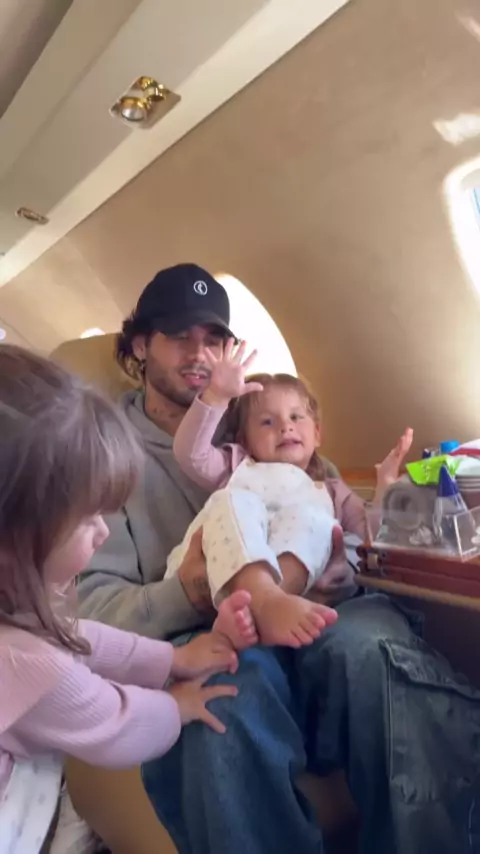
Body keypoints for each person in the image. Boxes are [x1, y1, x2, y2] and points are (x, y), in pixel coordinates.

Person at [77, 263, 480, 854]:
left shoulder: (265, 414)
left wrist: (357, 547)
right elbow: (87, 610)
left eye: (214, 339)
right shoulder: (100, 452)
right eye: (179, 336)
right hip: (207, 636)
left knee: (378, 651)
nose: (200, 354)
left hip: (328, 618)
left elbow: (337, 514)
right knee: (222, 713)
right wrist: (187, 592)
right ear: (140, 345)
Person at [0, 344, 251, 854]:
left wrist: (170, 659)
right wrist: (175, 705)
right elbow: (116, 723)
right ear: (15, 536)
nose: (101, 531)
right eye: (88, 518)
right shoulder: (22, 665)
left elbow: (78, 639)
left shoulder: (18, 620)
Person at [167, 340, 401, 648]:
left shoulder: (332, 491)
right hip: (217, 574)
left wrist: (385, 492)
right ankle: (262, 602)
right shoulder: (236, 465)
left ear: (317, 434)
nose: (285, 427)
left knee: (318, 521)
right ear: (244, 439)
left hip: (290, 595)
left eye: (296, 417)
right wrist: (217, 396)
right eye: (267, 421)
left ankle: (267, 606)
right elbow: (189, 454)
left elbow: (369, 543)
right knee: (233, 501)